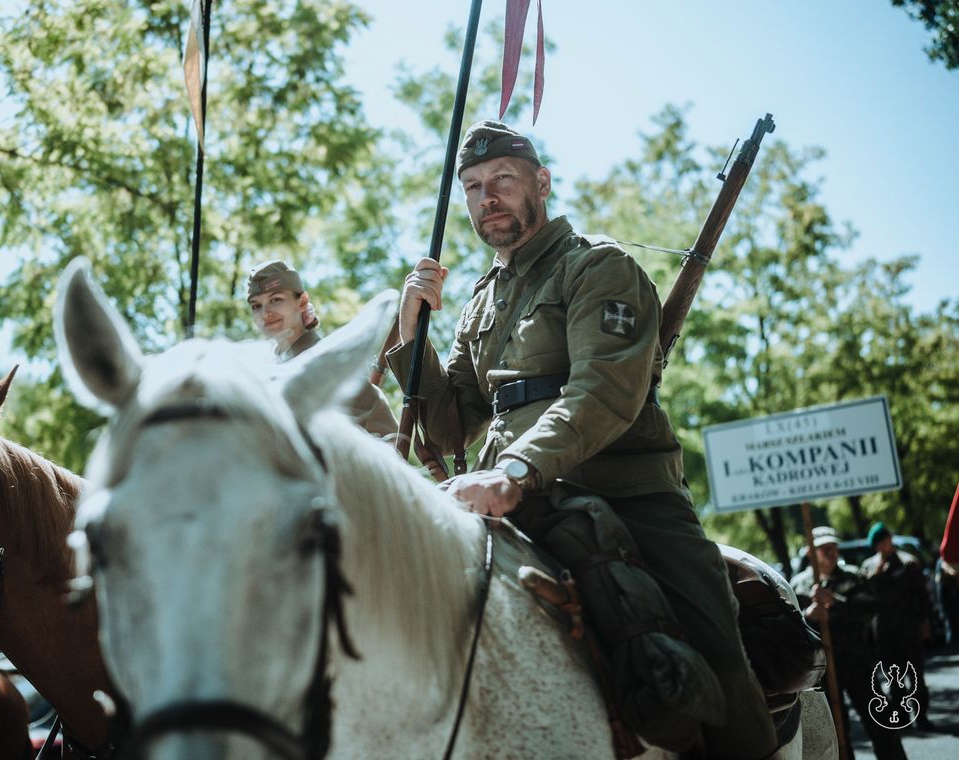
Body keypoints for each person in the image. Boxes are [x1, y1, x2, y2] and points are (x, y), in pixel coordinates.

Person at [387, 120, 775, 758]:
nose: (488, 197)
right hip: (507, 499)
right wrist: (411, 332)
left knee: (718, 659)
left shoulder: (596, 266)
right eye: (474, 186)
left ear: (541, 183)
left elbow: (604, 390)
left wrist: (515, 470)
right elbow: (452, 425)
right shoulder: (480, 303)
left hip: (622, 493)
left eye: (503, 180)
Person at [246, 260, 399, 439]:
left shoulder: (334, 364)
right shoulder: (260, 370)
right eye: (256, 305)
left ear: (302, 302)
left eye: (275, 300)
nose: (265, 313)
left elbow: (389, 444)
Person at [791, 526, 907, 760]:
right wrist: (808, 615)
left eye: (833, 547)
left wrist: (837, 602)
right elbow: (790, 629)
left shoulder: (852, 576)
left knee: (881, 722)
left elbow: (870, 608)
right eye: (824, 548)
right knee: (835, 732)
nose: (831, 552)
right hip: (822, 671)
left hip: (858, 663)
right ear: (811, 553)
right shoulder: (799, 585)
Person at [859, 521, 933, 731]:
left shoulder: (907, 563)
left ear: (890, 539)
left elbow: (922, 596)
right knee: (893, 676)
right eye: (878, 543)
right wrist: (876, 574)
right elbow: (864, 597)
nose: (883, 546)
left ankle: (921, 715)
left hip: (908, 627)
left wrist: (925, 623)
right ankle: (900, 716)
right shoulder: (868, 567)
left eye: (885, 541)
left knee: (915, 675)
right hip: (884, 631)